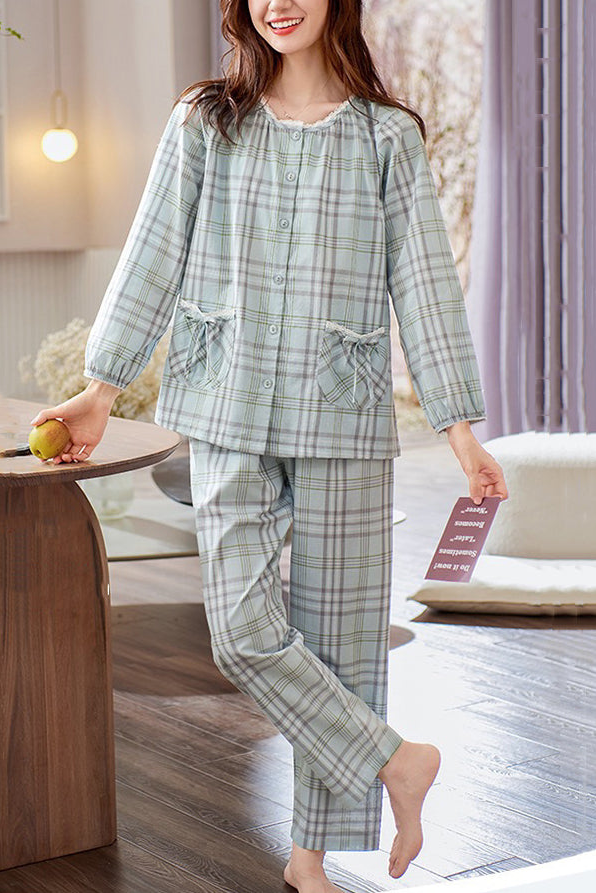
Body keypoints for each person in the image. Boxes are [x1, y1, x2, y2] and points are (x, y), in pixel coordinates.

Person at [32, 1, 509, 889]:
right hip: (227, 401)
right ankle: (397, 758)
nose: (278, 4)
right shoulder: (206, 121)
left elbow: (422, 283)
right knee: (243, 634)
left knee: (341, 641)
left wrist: (459, 429)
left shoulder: (385, 136)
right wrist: (102, 387)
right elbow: (153, 254)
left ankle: (307, 861)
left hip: (343, 410)